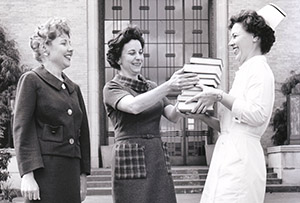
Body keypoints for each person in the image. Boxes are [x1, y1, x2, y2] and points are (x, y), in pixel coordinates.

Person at [185, 4, 286, 203]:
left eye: (235, 36)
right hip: (228, 155)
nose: (230, 43)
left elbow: (257, 115)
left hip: (243, 160)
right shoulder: (246, 71)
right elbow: (229, 127)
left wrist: (219, 95)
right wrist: (202, 117)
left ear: (255, 37)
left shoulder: (260, 71)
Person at [103, 25, 199, 203]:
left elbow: (173, 115)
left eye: (140, 52)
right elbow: (133, 106)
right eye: (132, 53)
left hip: (157, 156)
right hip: (130, 158)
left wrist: (188, 97)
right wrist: (169, 86)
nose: (138, 57)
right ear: (118, 58)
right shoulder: (112, 87)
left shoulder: (152, 87)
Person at [13, 17, 91, 203]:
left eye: (70, 43)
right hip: (44, 174)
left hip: (70, 173)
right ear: (45, 48)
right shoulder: (31, 80)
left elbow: (84, 135)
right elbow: (22, 128)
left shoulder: (74, 88)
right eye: (64, 43)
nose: (70, 49)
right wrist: (27, 174)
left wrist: (83, 177)